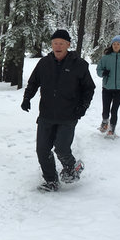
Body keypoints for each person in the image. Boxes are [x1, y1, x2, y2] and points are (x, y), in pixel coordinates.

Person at [21, 29, 95, 192]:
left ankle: (72, 167)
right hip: (46, 114)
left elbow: (89, 89)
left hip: (68, 115)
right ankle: (51, 180)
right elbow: (33, 82)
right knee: (42, 149)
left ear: (68, 45)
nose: (58, 46)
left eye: (61, 43)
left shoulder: (79, 65)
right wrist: (27, 98)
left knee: (61, 147)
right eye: (55, 43)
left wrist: (82, 108)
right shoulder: (44, 63)